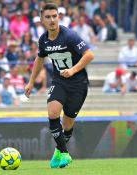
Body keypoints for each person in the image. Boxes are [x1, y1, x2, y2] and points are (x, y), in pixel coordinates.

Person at [24, 3, 94, 168]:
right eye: (48, 17)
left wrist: (73, 70)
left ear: (58, 17)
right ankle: (64, 153)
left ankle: (58, 151)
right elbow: (40, 58)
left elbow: (89, 54)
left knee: (68, 123)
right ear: (42, 20)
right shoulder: (44, 40)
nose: (52, 20)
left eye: (54, 16)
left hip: (78, 84)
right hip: (59, 82)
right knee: (53, 111)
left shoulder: (69, 36)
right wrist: (31, 81)